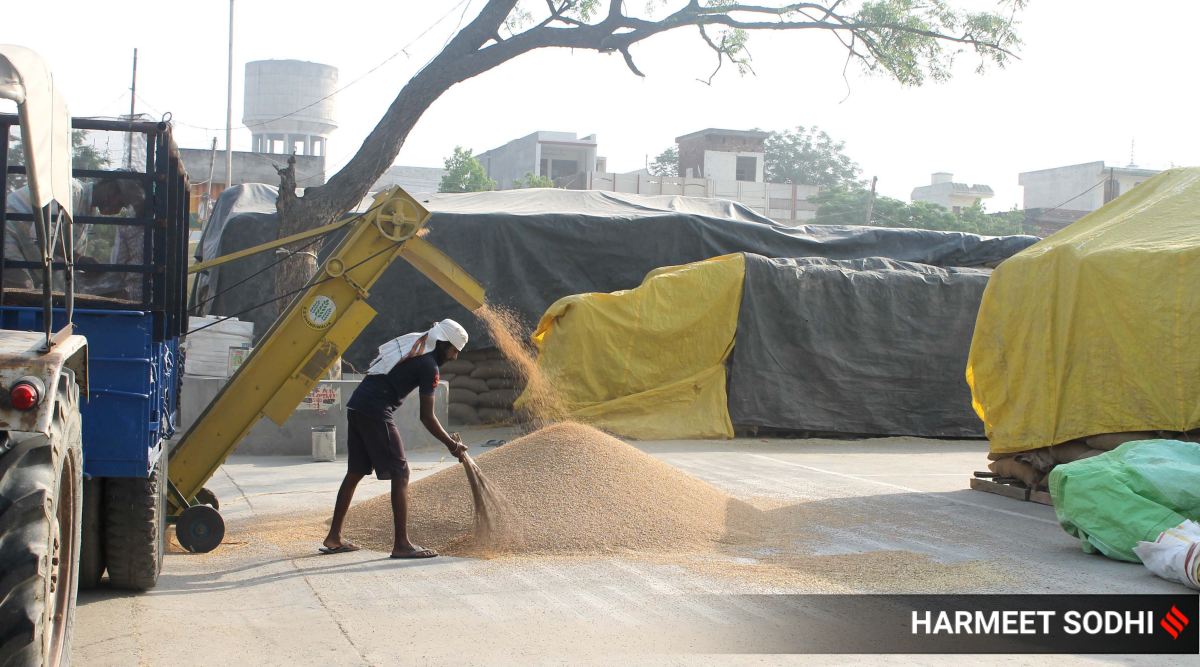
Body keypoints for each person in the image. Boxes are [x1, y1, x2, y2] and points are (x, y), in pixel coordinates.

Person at [321, 319, 470, 559]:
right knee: (401, 474)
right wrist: (451, 446)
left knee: (356, 471)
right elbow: (427, 416)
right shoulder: (429, 365)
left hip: (357, 406)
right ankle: (402, 544)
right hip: (375, 410)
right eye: (454, 350)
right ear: (444, 344)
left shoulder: (417, 343)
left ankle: (334, 537)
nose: (454, 357)